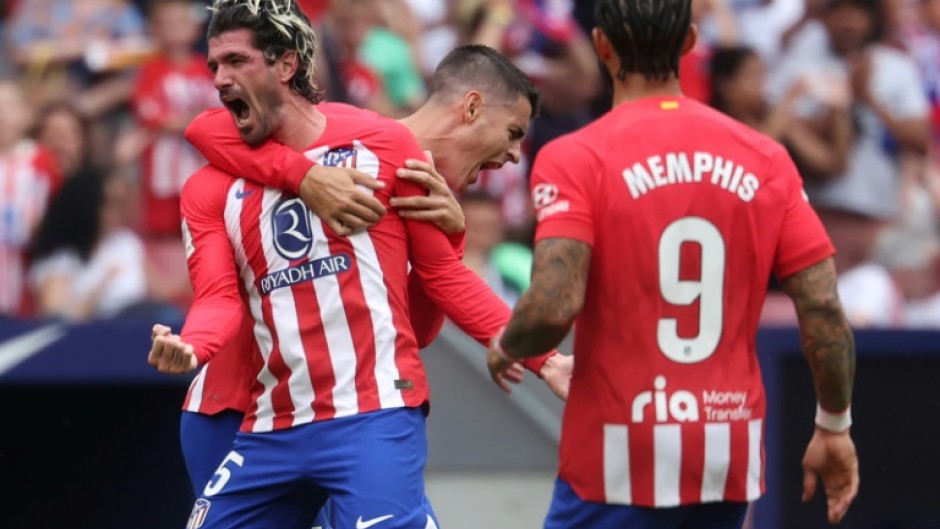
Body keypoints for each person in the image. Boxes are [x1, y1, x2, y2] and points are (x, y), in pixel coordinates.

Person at [147, 2, 566, 528]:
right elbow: (205, 128)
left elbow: (408, 328)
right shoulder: (338, 141)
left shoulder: (404, 168)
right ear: (474, 108)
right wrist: (302, 177)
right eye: (512, 134)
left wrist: (454, 242)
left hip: (352, 410)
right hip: (240, 405)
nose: (512, 158)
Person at [486, 0, 860, 528]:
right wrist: (834, 423)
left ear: (600, 47)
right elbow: (822, 306)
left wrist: (509, 345)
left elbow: (553, 303)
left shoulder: (577, 157)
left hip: (617, 448)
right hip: (724, 447)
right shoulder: (766, 157)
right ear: (689, 42)